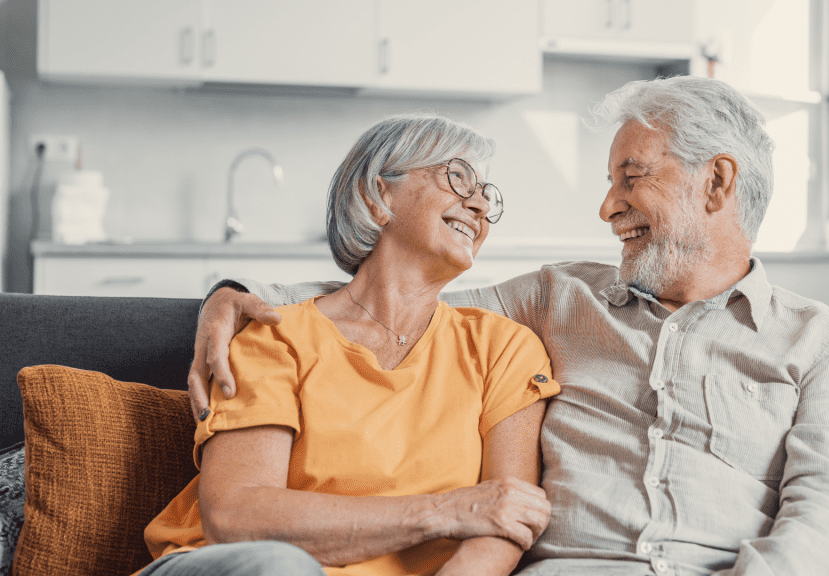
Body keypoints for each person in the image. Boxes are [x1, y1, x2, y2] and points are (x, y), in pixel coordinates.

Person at [189, 76, 829, 576]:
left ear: (717, 183)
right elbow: (393, 299)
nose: (608, 207)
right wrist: (241, 293)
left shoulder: (825, 345)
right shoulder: (555, 299)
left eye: (630, 177)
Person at [138, 113, 560, 576]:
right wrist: (444, 511)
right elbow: (234, 518)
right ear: (379, 196)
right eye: (458, 177)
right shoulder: (276, 337)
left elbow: (503, 527)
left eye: (486, 194)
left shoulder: (504, 348)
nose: (479, 205)